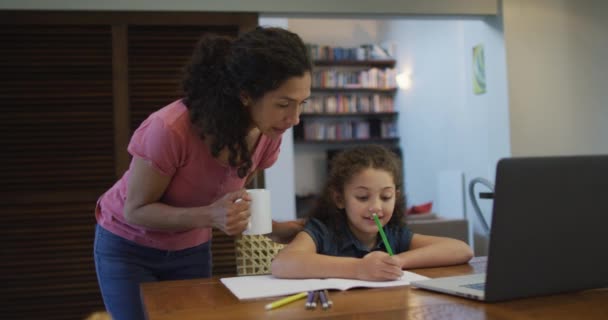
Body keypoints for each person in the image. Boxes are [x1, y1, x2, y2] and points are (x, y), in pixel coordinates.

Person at [94, 26, 312, 320]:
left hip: (190, 248)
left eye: (302, 104)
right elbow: (136, 210)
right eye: (284, 104)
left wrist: (277, 228)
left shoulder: (269, 132)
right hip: (129, 247)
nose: (294, 119)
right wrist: (210, 217)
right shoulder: (170, 129)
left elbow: (228, 201)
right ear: (246, 95)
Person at [271, 145, 473, 281]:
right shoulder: (322, 231)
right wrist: (360, 268)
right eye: (362, 197)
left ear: (396, 196)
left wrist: (397, 261)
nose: (376, 207)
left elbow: (462, 249)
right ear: (340, 198)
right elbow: (282, 264)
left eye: (386, 197)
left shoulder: (394, 234)